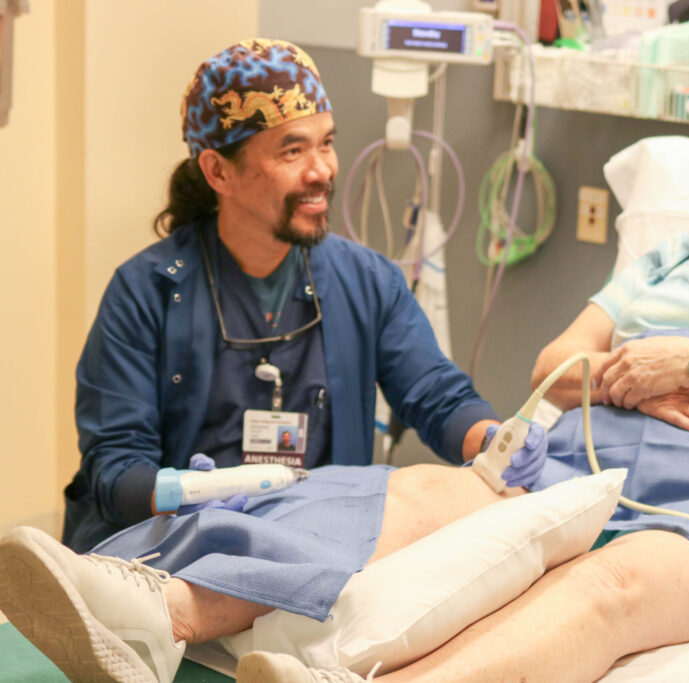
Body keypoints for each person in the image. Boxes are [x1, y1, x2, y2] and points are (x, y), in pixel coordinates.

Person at [232, 86, 689, 681]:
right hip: (591, 471)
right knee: (416, 493)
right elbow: (555, 367)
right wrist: (639, 380)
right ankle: (173, 607)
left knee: (604, 584)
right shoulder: (679, 256)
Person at [0, 38, 547, 683]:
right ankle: (153, 622)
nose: (322, 170)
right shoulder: (146, 292)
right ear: (218, 172)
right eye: (293, 150)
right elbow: (114, 468)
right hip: (171, 550)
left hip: (311, 546)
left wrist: (494, 437)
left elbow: (434, 392)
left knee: (446, 501)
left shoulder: (365, 280)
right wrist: (188, 493)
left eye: (326, 142)